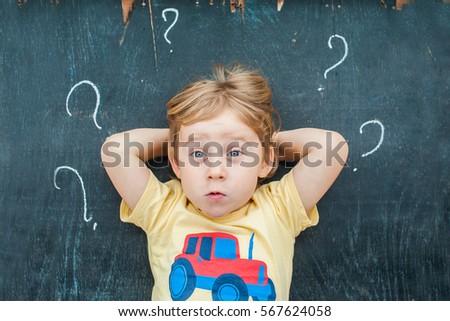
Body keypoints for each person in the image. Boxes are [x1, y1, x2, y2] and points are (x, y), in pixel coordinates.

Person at [101, 64, 348, 301]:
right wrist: (181, 136)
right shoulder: (164, 210)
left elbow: (332, 148)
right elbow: (115, 151)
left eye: (235, 153)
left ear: (265, 161)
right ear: (176, 164)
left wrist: (261, 142)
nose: (216, 171)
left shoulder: (279, 210)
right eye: (198, 154)